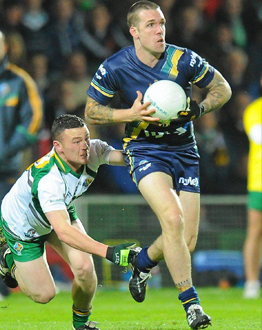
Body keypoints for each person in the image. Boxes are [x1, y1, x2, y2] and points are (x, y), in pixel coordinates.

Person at [85, 1, 232, 329]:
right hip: (144, 150)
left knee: (185, 240)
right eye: (150, 24)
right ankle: (192, 307)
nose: (159, 30)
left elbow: (223, 88)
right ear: (134, 31)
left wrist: (200, 108)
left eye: (162, 23)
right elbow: (91, 110)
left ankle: (141, 262)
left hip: (185, 150)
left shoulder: (184, 59)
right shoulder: (115, 67)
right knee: (172, 217)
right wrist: (128, 114)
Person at [0, 114, 137, 330]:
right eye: (76, 142)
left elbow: (130, 158)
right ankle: (10, 260)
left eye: (86, 139)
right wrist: (110, 252)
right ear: (58, 147)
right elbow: (63, 231)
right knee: (44, 295)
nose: (84, 147)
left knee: (84, 269)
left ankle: (80, 325)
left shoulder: (93, 150)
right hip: (23, 228)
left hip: (57, 210)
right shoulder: (49, 179)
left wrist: (157, 143)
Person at [0, 27, 43, 300]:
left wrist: (2, 153)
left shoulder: (18, 80)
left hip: (4, 172)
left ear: (4, 48)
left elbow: (33, 122)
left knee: (0, 230)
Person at [242, 74, 262, 299]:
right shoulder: (255, 109)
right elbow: (258, 135)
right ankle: (252, 283)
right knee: (255, 231)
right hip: (259, 182)